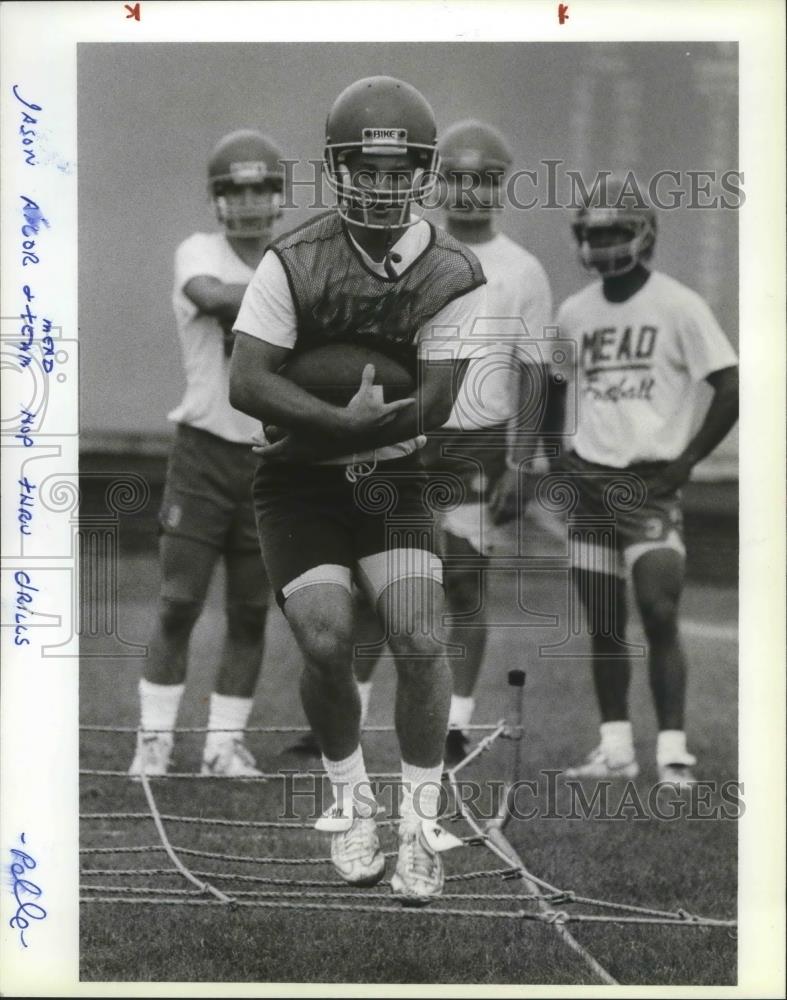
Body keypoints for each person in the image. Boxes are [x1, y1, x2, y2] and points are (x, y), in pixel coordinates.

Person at [230, 77, 488, 903]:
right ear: (338, 168)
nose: (380, 184)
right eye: (364, 169)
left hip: (393, 477)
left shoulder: (450, 269)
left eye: (398, 168)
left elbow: (440, 402)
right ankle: (353, 801)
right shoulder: (294, 258)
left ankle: (419, 825)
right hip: (298, 483)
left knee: (417, 636)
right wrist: (335, 426)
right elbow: (246, 382)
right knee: (322, 634)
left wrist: (345, 428)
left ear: (421, 172)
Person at [352, 119, 553, 766]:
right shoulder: (406, 250)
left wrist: (524, 461)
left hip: (476, 443)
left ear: (501, 186)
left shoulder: (522, 270)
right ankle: (346, 710)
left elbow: (533, 371)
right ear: (436, 184)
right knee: (373, 579)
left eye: (483, 180)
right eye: (457, 179)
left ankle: (455, 721)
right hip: (405, 434)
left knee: (462, 583)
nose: (468, 193)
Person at [553, 175, 739, 787]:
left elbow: (731, 386)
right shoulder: (573, 312)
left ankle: (673, 752)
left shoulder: (679, 304)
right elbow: (555, 388)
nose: (602, 244)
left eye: (614, 231)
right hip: (589, 483)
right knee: (604, 620)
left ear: (643, 234)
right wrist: (557, 458)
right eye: (593, 233)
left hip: (649, 482)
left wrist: (686, 462)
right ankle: (614, 750)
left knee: (659, 611)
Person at [129, 130, 285, 779]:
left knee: (249, 610)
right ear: (218, 200)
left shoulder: (290, 259)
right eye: (235, 190)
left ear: (277, 196)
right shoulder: (200, 250)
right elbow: (212, 295)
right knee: (178, 601)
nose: (248, 203)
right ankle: (154, 741)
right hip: (201, 453)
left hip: (266, 456)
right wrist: (302, 297)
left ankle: (223, 745)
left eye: (260, 189)